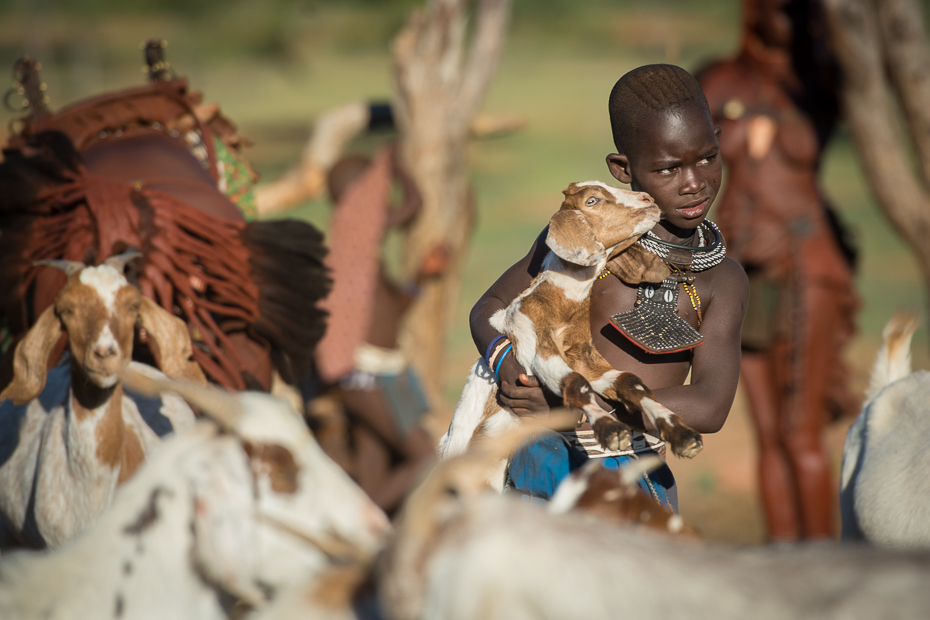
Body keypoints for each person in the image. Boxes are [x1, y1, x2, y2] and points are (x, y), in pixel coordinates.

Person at [469, 64, 749, 512]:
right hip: (533, 472)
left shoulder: (720, 279)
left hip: (630, 481)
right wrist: (504, 362)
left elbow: (710, 404)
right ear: (623, 168)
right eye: (668, 168)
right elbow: (491, 307)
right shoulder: (579, 238)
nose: (694, 181)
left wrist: (573, 409)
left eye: (706, 158)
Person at [696, 0, 859, 541]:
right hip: (740, 267)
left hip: (806, 262)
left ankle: (825, 566)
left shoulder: (821, 80)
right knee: (767, 433)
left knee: (801, 432)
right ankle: (782, 566)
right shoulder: (719, 80)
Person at [313, 145, 449, 515]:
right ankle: (362, 525)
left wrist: (423, 275)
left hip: (377, 375)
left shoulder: (360, 255)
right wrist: (393, 164)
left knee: (374, 470)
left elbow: (394, 309)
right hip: (365, 378)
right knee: (427, 461)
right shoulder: (352, 231)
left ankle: (365, 538)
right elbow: (413, 205)